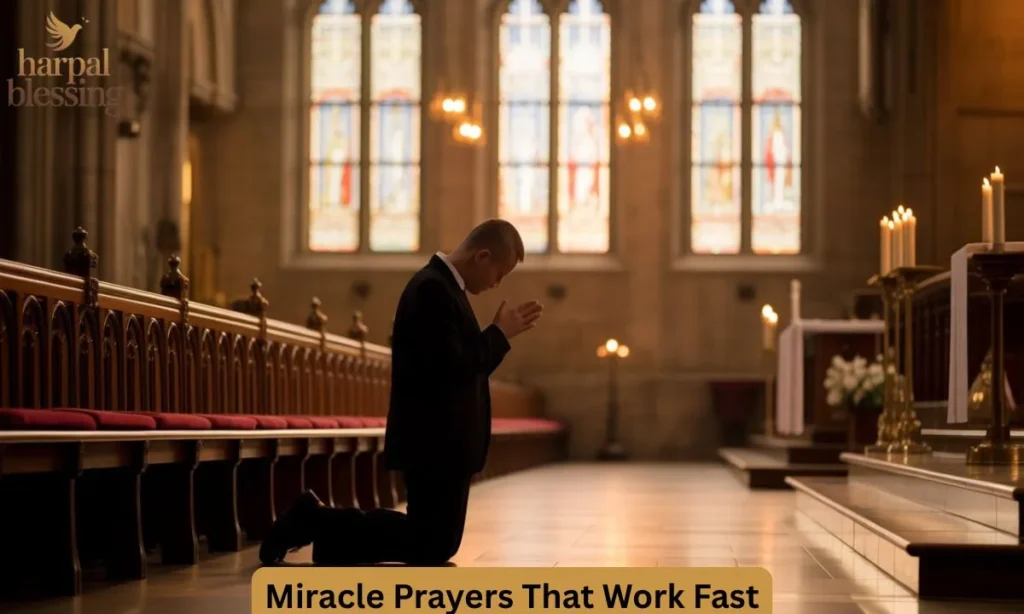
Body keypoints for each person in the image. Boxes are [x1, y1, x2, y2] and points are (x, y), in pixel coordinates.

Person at [259, 219, 543, 566]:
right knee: (432, 543)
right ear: (481, 256)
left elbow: (464, 367)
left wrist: (498, 336)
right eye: (500, 273)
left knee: (437, 543)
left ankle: (327, 532)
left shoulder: (447, 289)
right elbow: (451, 368)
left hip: (446, 441)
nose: (497, 283)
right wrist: (498, 334)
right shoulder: (432, 290)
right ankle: (315, 519)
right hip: (433, 439)